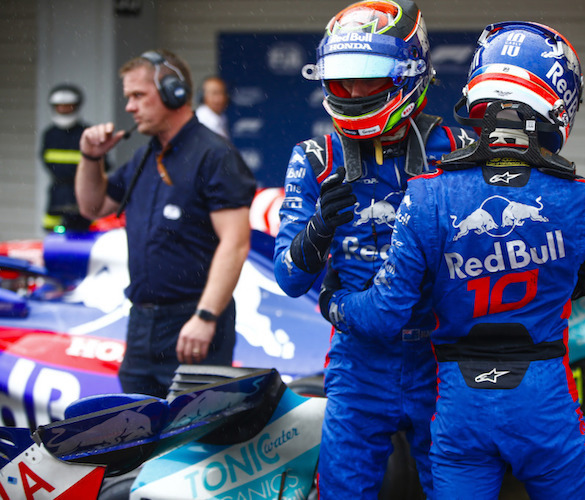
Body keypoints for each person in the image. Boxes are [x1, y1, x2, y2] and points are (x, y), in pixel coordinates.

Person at [318, 22, 585, 499]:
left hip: (459, 406)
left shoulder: (426, 195)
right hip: (545, 400)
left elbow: (384, 313)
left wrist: (334, 303)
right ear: (560, 99)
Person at [272, 1, 475, 497]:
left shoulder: (460, 149)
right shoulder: (315, 158)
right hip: (359, 360)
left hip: (444, 357)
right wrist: (318, 231)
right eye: (343, 79)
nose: (356, 92)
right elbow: (289, 277)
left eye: (370, 78)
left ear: (410, 74)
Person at [75, 49, 256, 398]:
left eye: (138, 96)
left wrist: (205, 317)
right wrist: (90, 158)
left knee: (195, 445)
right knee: (138, 441)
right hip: (142, 324)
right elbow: (93, 205)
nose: (129, 107)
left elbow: (235, 243)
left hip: (192, 323)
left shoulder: (215, 155)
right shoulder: (145, 155)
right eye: (128, 97)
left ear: (174, 92)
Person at [40, 83, 107, 232]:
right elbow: (46, 162)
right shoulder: (49, 135)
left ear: (76, 106)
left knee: (84, 236)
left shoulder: (87, 133)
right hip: (57, 195)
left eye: (68, 106)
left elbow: (103, 164)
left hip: (83, 195)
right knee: (53, 236)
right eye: (60, 106)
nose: (64, 109)